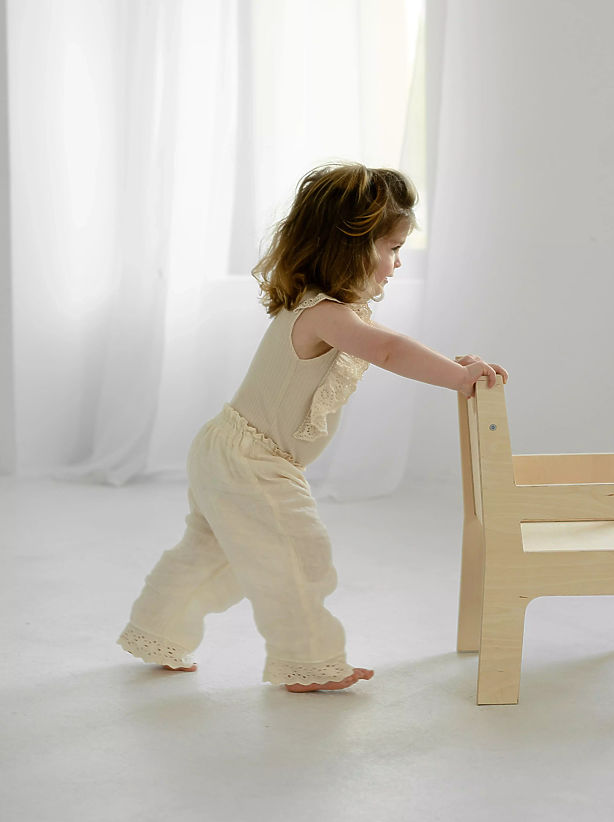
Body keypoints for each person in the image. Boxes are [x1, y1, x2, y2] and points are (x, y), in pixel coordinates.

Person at [117, 163, 508, 692]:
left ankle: (155, 631)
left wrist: (454, 366)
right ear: (351, 247)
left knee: (211, 552)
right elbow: (390, 350)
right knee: (297, 556)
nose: (397, 263)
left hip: (227, 448)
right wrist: (459, 379)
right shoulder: (325, 314)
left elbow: (388, 344)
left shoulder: (329, 312)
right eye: (393, 249)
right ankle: (306, 662)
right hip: (252, 459)